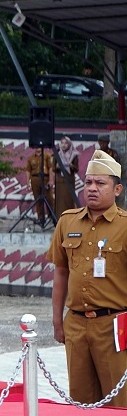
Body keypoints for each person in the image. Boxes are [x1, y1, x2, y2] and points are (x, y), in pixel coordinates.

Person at [46, 150, 127, 407]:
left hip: (115, 326)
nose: (92, 188)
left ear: (117, 190)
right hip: (77, 326)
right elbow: (60, 272)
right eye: (88, 182)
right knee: (81, 402)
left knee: (118, 402)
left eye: (100, 183)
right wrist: (58, 322)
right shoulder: (68, 222)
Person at [24, 147, 55, 222]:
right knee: (38, 200)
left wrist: (51, 180)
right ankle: (41, 218)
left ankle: (52, 216)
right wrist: (28, 183)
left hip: (45, 178)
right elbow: (28, 170)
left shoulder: (47, 156)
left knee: (49, 198)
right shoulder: (31, 158)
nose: (38, 148)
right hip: (35, 179)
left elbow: (51, 168)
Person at [55, 136, 80, 215]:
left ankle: (68, 219)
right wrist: (57, 166)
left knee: (68, 201)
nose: (64, 145)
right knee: (59, 201)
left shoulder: (74, 154)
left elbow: (76, 169)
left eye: (66, 143)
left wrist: (71, 166)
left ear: (69, 144)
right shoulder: (57, 154)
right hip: (60, 181)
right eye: (62, 143)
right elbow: (53, 168)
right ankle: (58, 219)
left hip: (69, 181)